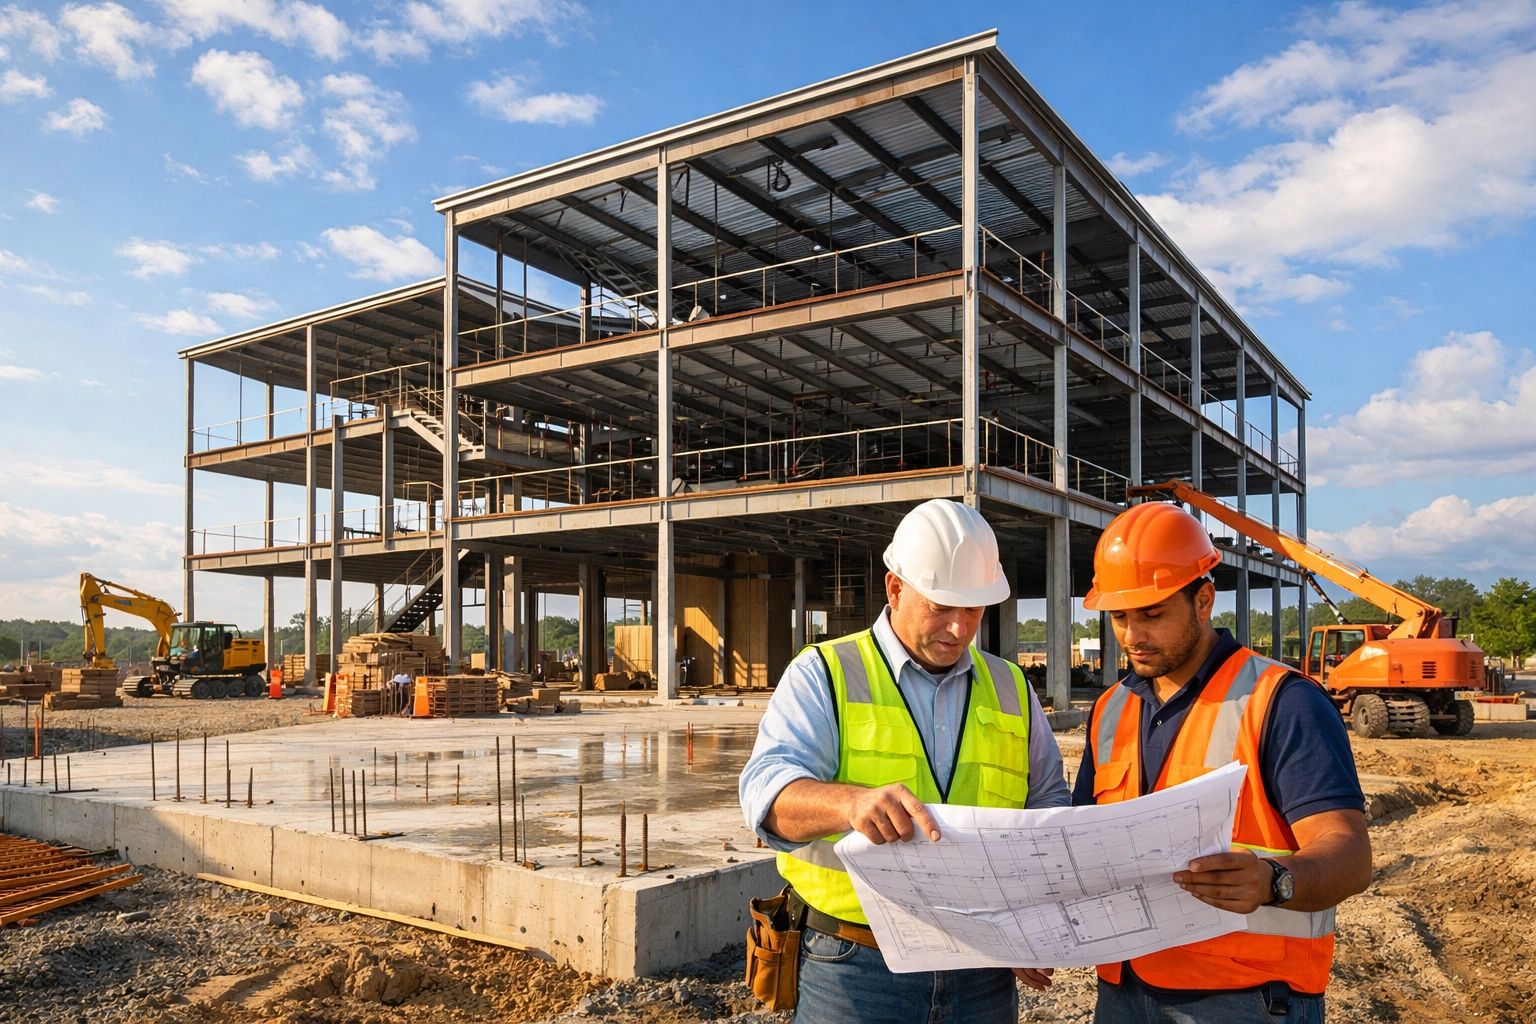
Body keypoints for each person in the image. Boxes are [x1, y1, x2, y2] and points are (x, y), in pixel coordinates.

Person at [739, 498, 1071, 1023]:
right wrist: (851, 803)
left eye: (974, 609)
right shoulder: (824, 672)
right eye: (942, 606)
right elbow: (768, 797)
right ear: (895, 588)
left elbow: (1048, 806)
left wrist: (1031, 920)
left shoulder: (1011, 687)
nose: (960, 628)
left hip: (982, 969)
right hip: (854, 969)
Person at [1062, 501, 1371, 1023]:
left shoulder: (1282, 700)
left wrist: (1275, 880)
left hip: (1245, 998)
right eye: (1119, 616)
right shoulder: (1109, 709)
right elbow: (1081, 840)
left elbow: (1349, 854)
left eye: (1153, 613)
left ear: (1203, 600)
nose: (1132, 635)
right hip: (1123, 990)